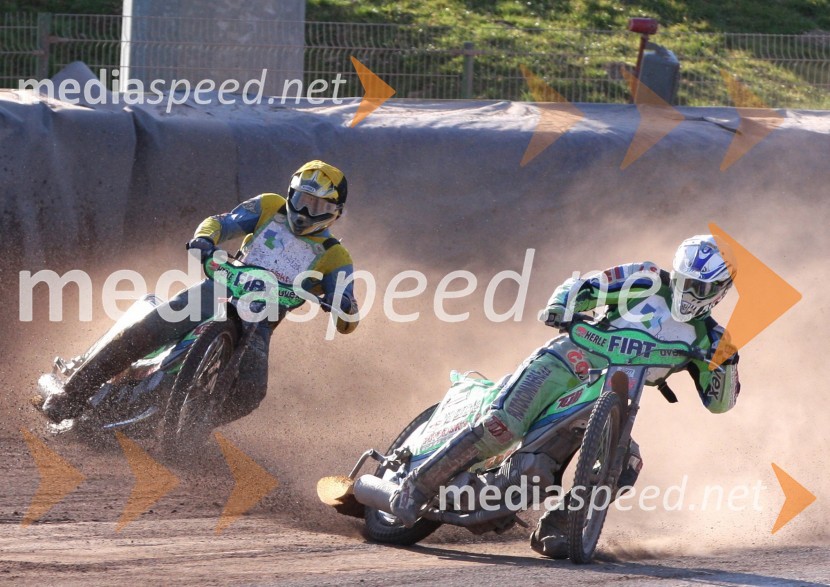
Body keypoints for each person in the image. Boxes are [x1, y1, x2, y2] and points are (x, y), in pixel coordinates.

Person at [389, 234, 741, 558]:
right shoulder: (645, 277)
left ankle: (558, 527)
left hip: (616, 397)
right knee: (503, 426)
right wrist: (561, 306)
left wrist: (727, 367)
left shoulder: (712, 339)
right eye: (685, 281)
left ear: (721, 290)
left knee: (626, 466)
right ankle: (415, 487)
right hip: (568, 362)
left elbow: (719, 404)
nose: (690, 291)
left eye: (702, 287)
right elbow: (584, 286)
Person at [41, 160, 359, 424]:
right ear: (289, 194)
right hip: (218, 287)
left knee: (251, 391)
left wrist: (341, 303)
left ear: (336, 211)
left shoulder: (335, 256)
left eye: (316, 206)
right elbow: (222, 222)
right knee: (147, 331)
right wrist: (206, 240)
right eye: (301, 200)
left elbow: (349, 318)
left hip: (260, 320)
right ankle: (71, 394)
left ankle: (194, 426)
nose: (304, 212)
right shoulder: (269, 206)